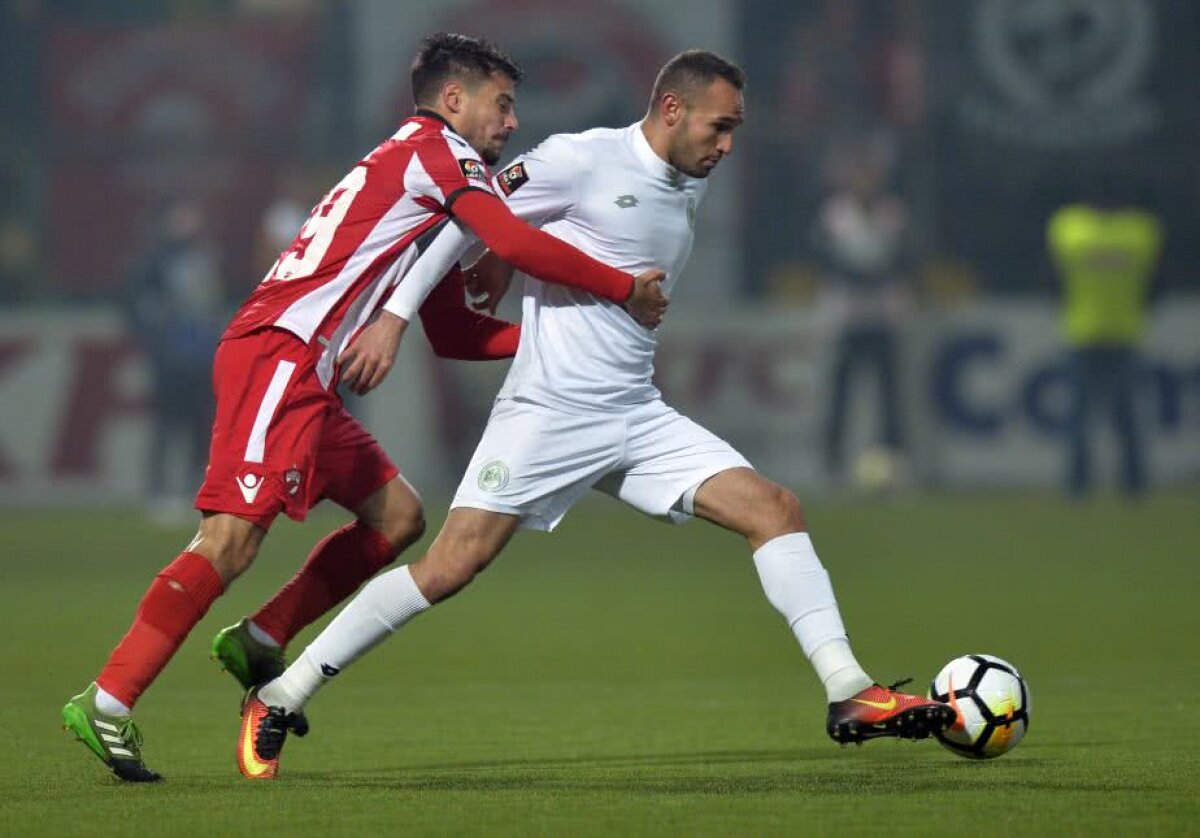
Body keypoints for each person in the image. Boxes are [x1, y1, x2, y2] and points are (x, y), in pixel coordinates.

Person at [238, 49, 954, 779]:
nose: (727, 145)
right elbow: (461, 220)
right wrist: (396, 315)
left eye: (734, 130)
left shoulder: (689, 178)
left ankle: (848, 691)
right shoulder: (578, 159)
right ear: (671, 110)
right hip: (548, 410)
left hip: (635, 412)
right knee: (451, 566)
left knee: (774, 508)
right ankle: (283, 693)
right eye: (719, 126)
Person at [61, 32, 669, 783]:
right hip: (280, 352)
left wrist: (553, 339)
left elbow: (452, 332)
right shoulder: (438, 152)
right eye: (502, 104)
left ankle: (262, 636)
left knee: (398, 518)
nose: (512, 122)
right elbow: (511, 239)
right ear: (454, 100)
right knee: (229, 539)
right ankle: (110, 701)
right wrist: (619, 288)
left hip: (307, 372)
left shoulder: (423, 182)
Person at [810, 135, 916, 485]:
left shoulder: (892, 212)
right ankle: (833, 464)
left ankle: (895, 464)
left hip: (884, 315)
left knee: (890, 396)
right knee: (842, 394)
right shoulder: (834, 214)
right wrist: (867, 272)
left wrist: (873, 272)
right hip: (847, 317)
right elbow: (825, 260)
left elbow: (905, 258)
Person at [1047, 190, 1163, 497]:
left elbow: (1058, 272)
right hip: (1110, 332)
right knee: (1118, 419)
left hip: (1095, 331)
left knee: (1092, 418)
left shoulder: (1071, 228)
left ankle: (1084, 487)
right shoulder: (1139, 232)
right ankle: (1127, 486)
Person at [123, 197, 227, 523]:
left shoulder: (206, 259)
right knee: (167, 424)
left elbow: (214, 302)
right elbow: (135, 303)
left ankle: (190, 490)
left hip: (202, 355)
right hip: (171, 358)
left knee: (200, 426)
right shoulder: (154, 262)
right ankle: (158, 492)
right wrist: (153, 339)